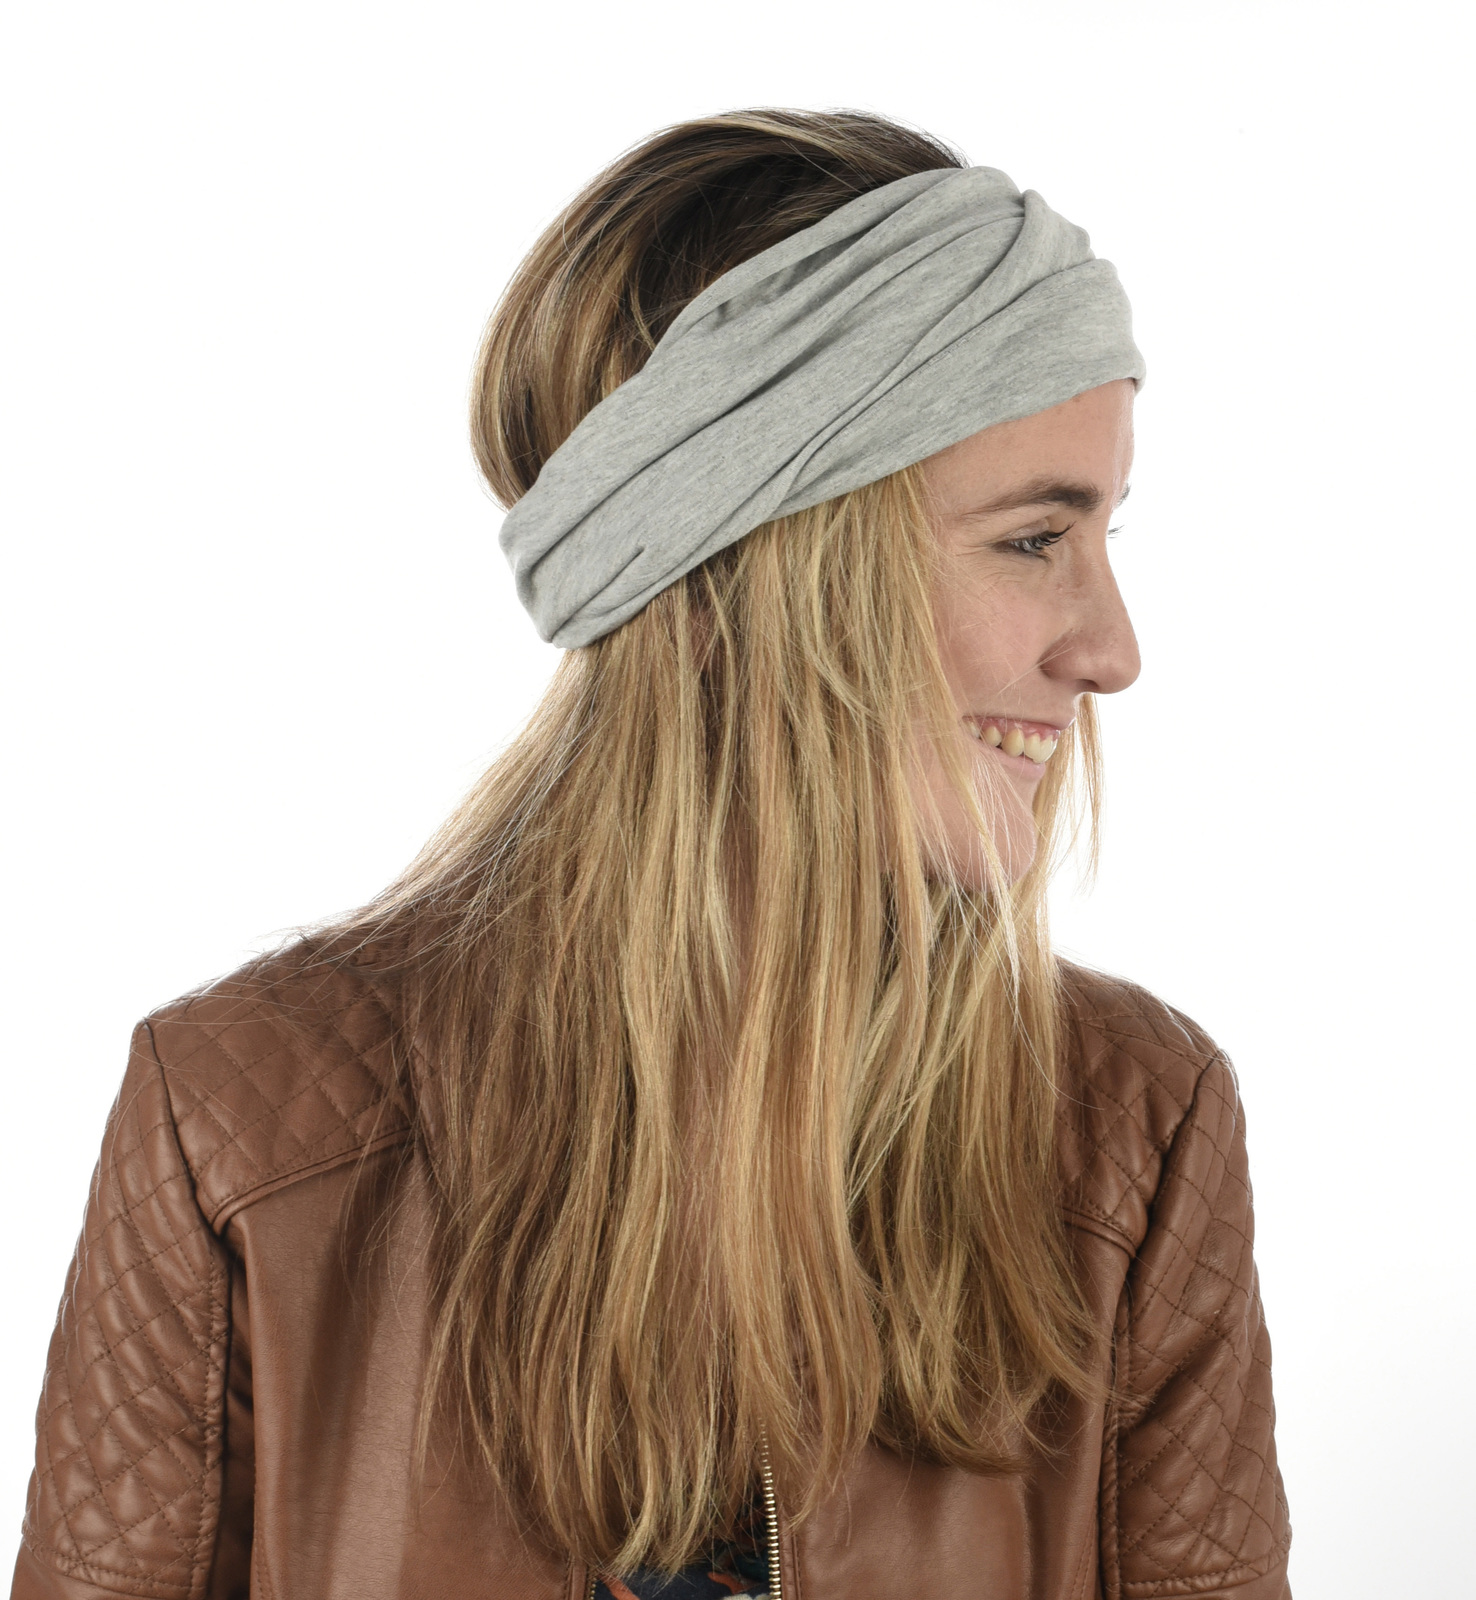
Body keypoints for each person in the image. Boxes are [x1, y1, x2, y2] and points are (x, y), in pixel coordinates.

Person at [10, 108, 1292, 1600]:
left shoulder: (1130, 1127)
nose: (1113, 651)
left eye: (1106, 532)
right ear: (738, 575)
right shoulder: (242, 1125)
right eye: (1031, 539)